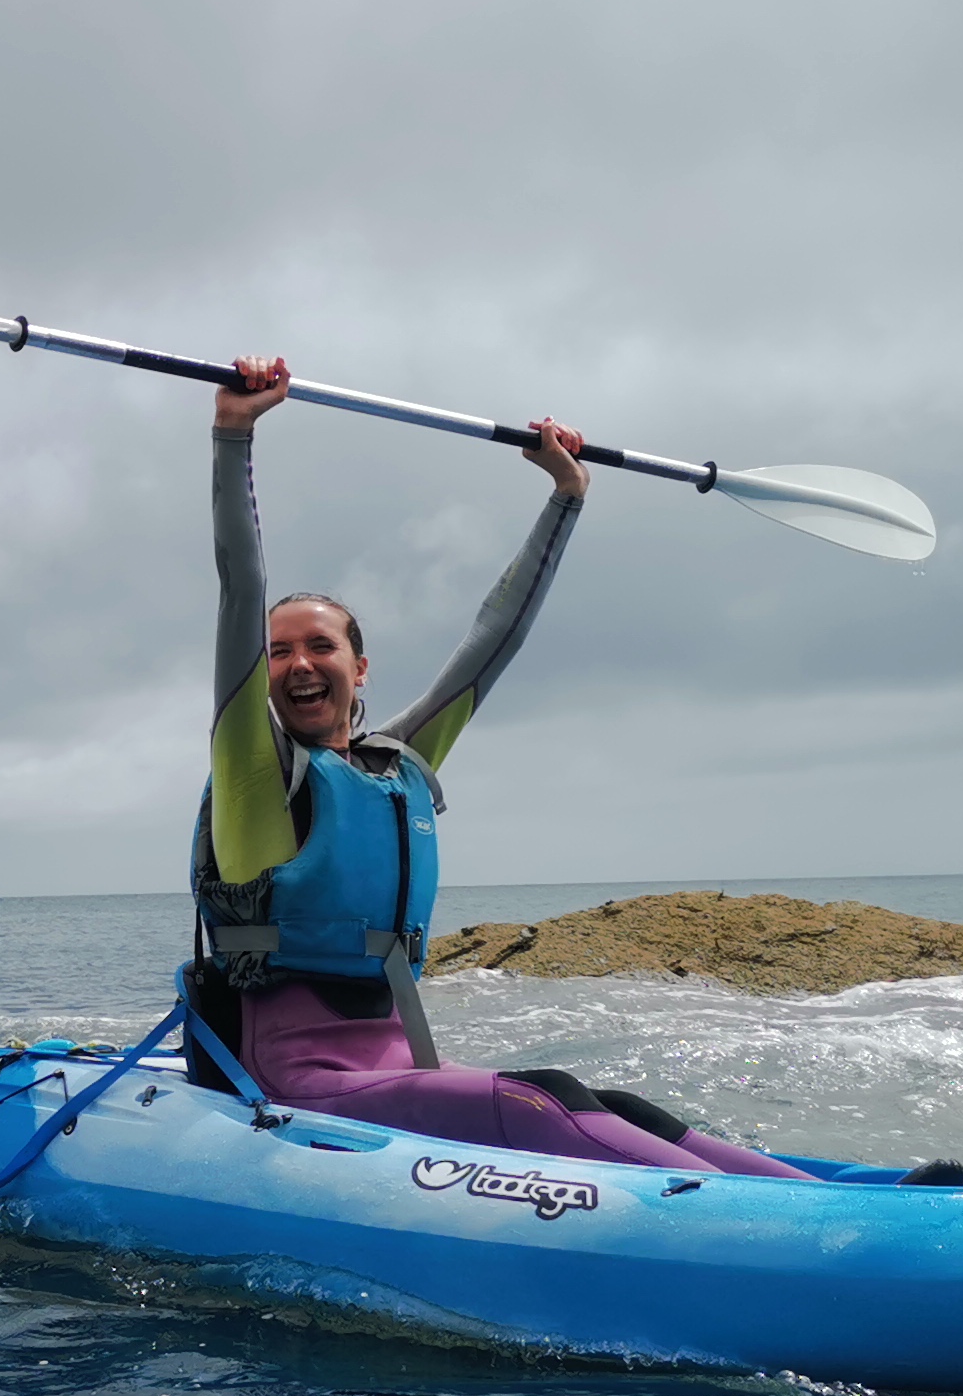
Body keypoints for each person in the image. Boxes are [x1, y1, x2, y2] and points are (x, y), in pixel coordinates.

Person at [192, 356, 816, 1181]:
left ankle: (868, 1192)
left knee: (616, 1105)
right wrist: (233, 436)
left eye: (321, 645)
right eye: (278, 653)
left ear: (361, 667)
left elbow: (496, 637)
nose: (298, 664)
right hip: (298, 1086)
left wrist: (567, 498)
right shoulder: (253, 779)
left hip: (393, 1067)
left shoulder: (397, 768)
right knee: (539, 1097)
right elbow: (241, 592)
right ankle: (799, 1212)